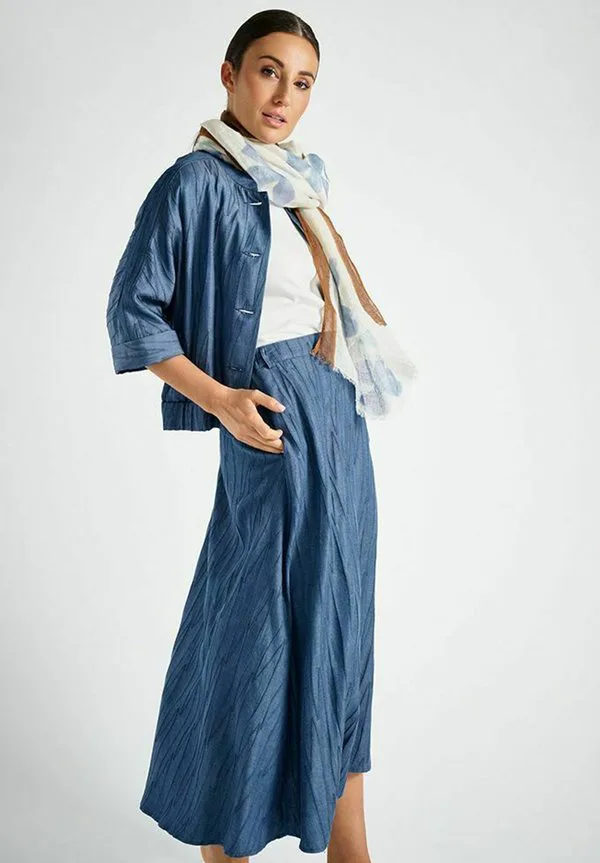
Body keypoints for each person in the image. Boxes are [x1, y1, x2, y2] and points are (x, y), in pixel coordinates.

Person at [106, 9, 417, 863]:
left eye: (303, 81)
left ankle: (351, 847)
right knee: (255, 634)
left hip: (338, 419)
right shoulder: (196, 182)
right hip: (272, 421)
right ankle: (228, 845)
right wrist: (221, 401)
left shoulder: (295, 183)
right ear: (231, 73)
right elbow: (133, 311)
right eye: (270, 71)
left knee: (340, 626)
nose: (284, 95)